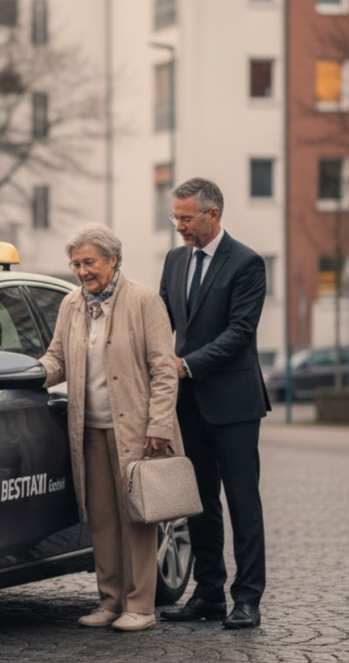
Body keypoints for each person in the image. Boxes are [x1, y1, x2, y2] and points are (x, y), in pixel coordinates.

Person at [40, 224, 181, 632]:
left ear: (113, 260)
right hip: (89, 427)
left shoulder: (143, 300)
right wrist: (33, 374)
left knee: (137, 518)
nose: (82, 271)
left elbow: (164, 369)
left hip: (137, 429)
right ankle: (110, 600)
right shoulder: (71, 305)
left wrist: (160, 425)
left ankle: (141, 606)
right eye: (76, 264)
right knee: (100, 518)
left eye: (89, 262)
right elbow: (57, 359)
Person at [158, 177, 269, 630]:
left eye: (186, 218)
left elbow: (240, 333)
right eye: (176, 217)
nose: (179, 226)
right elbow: (160, 317)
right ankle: (208, 594)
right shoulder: (174, 260)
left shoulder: (247, 263)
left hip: (235, 403)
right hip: (189, 404)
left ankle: (247, 599)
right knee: (199, 501)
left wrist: (186, 365)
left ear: (213, 215)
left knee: (243, 502)